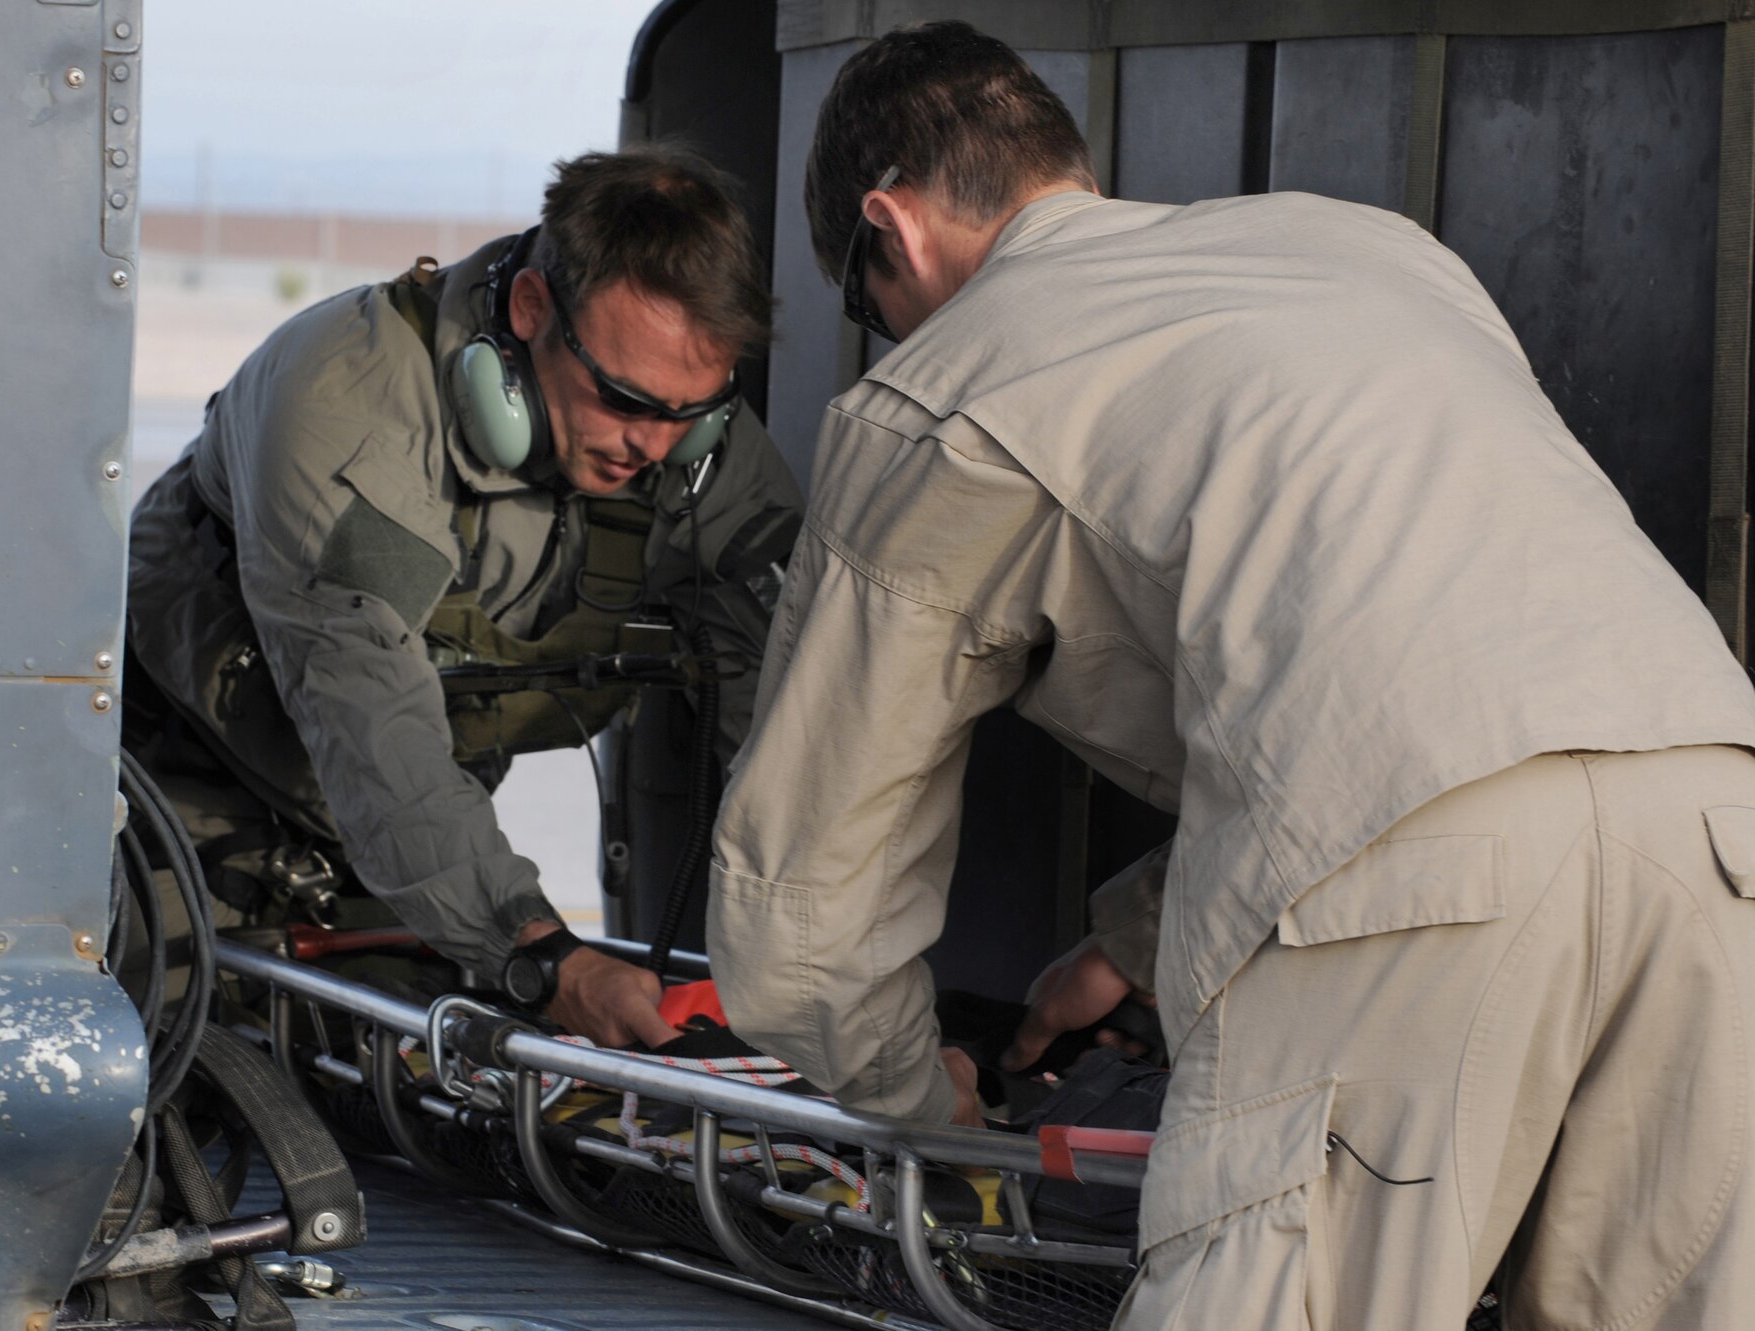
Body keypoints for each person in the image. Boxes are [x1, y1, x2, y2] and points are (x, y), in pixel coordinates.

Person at [708, 20, 1755, 1329]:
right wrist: (1134, 939)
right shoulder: (1368, 249)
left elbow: (804, 893)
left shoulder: (936, 393)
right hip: (1714, 818)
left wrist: (923, 1098)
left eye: (868, 304)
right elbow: (1426, 670)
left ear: (893, 229)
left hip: (1410, 881)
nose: (886, 333)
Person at [126, 146, 802, 1050]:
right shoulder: (349, 411)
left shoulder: (687, 437)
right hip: (186, 797)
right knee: (184, 1077)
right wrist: (537, 950)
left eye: (692, 411)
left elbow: (794, 702)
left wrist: (809, 975)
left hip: (412, 832)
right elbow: (375, 735)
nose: (654, 443)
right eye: (624, 399)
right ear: (529, 311)